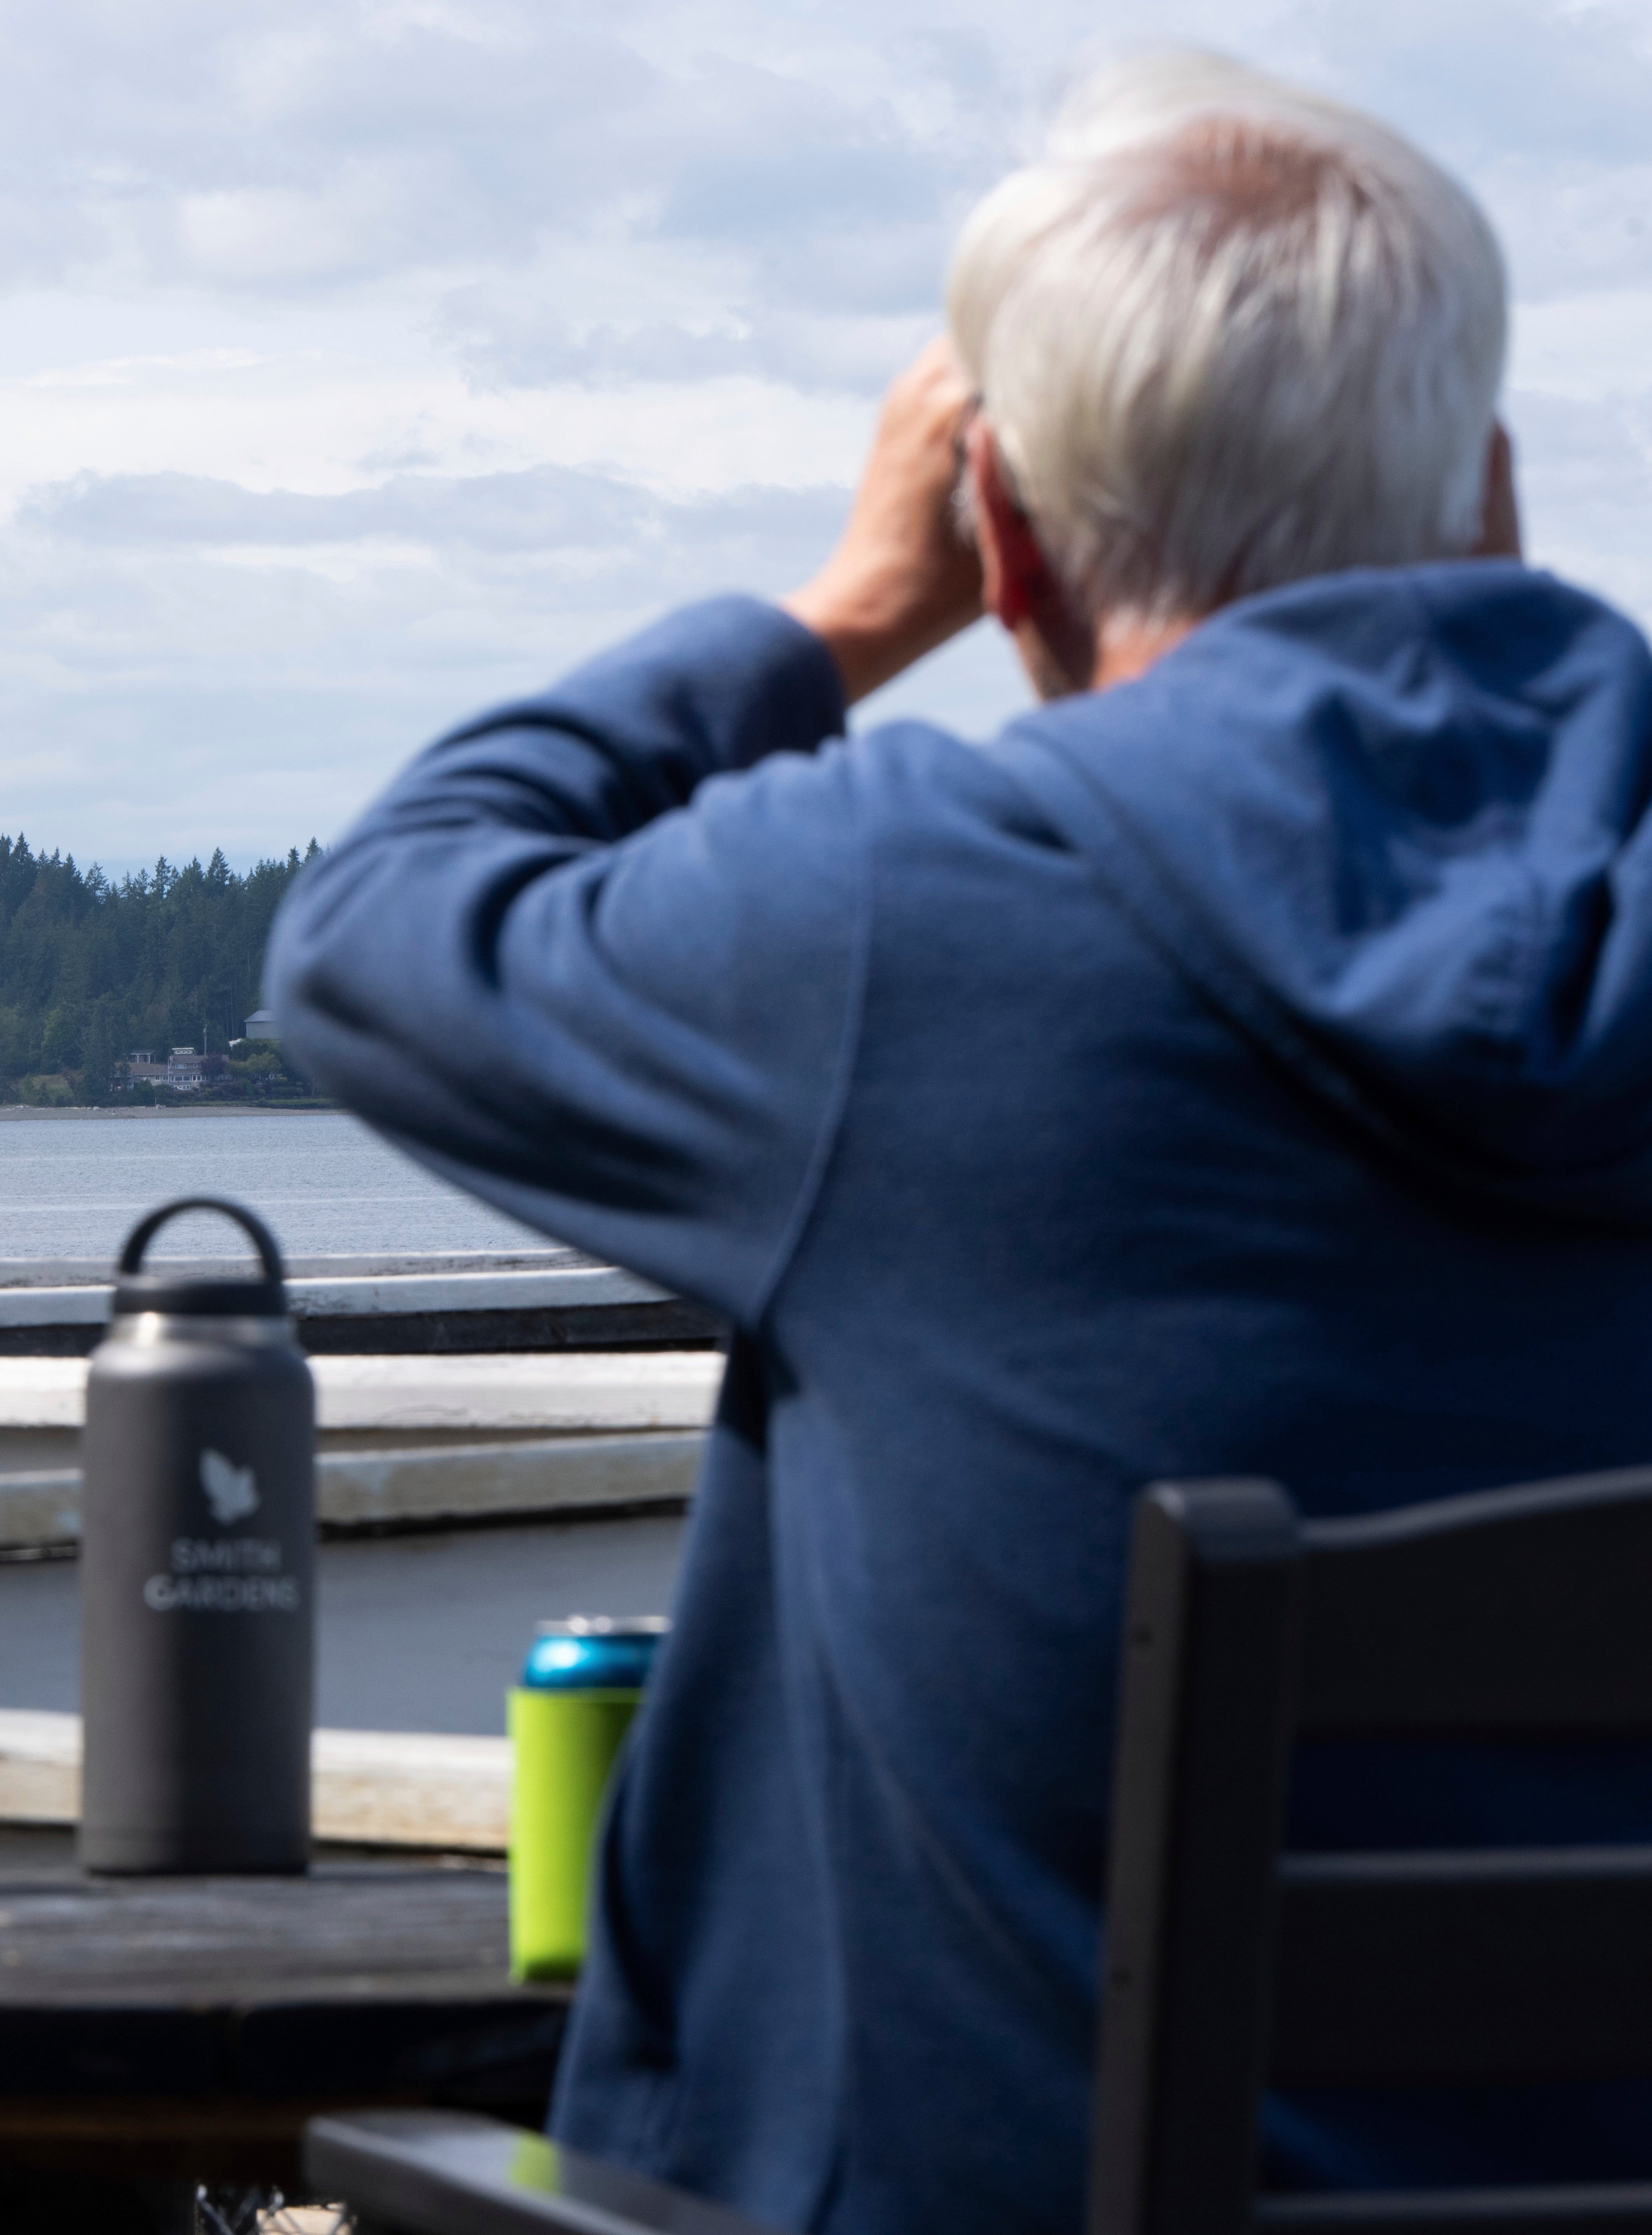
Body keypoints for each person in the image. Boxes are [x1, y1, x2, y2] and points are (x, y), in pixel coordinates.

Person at [267, 50, 1652, 2235]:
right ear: (1489, 496)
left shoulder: (900, 926)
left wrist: (831, 622)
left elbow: (375, 935)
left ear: (999, 534)